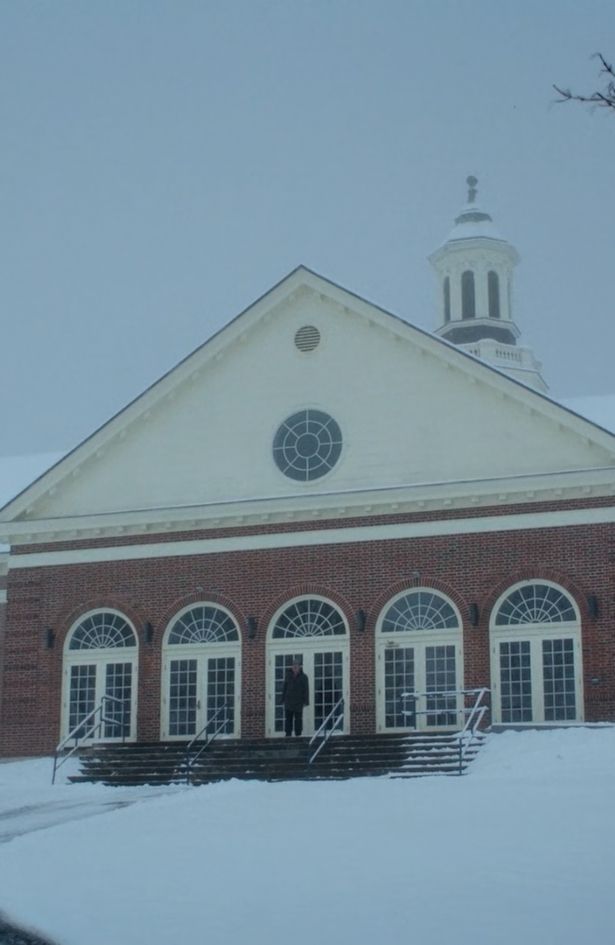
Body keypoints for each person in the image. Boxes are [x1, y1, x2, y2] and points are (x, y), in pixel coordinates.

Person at [280, 661, 309, 736]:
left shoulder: (304, 677)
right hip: (288, 701)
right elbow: (284, 688)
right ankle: (288, 734)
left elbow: (306, 689)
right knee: (288, 719)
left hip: (298, 701)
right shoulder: (288, 676)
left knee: (298, 719)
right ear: (292, 667)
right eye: (294, 666)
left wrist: (306, 701)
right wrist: (282, 699)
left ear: (299, 667)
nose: (295, 668)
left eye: (296, 666)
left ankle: (298, 734)